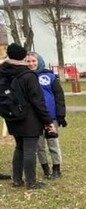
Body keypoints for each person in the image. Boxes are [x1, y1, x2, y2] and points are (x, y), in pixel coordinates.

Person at [0, 43, 56, 189]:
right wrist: (48, 121)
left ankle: (17, 179)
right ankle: (31, 182)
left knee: (19, 147)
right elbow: (38, 101)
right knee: (30, 150)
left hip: (11, 116)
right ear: (23, 57)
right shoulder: (28, 75)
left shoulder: (3, 72)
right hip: (29, 118)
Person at [26, 52, 66, 179]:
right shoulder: (25, 77)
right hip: (34, 118)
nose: (31, 63)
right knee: (39, 145)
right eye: (28, 61)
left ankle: (56, 168)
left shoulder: (50, 76)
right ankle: (45, 169)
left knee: (53, 142)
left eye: (34, 61)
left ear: (39, 61)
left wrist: (60, 115)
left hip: (51, 117)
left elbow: (59, 96)